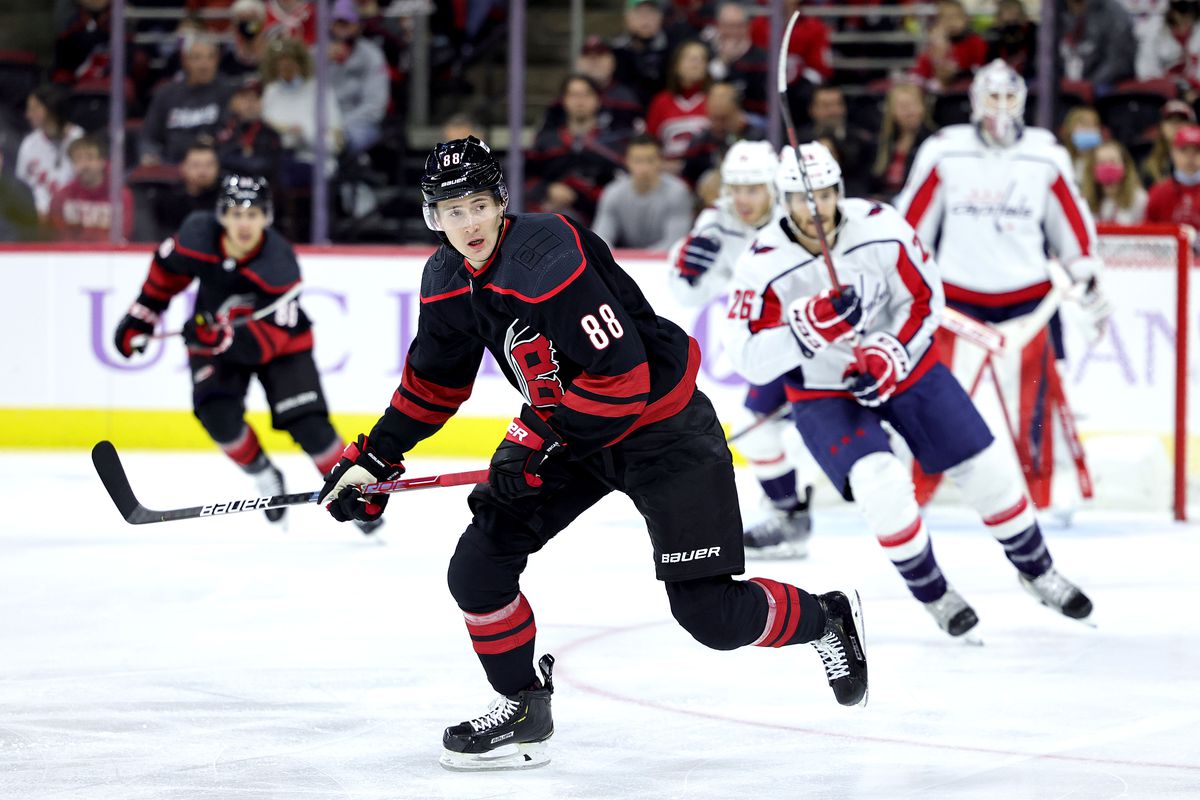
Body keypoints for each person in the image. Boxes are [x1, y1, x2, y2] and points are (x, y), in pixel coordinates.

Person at [316, 136, 868, 770]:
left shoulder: (549, 253)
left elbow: (622, 376)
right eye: (451, 209)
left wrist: (538, 443)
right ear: (431, 217)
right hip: (572, 431)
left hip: (663, 429)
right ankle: (524, 704)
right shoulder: (445, 276)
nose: (467, 222)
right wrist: (375, 458)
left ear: (500, 201)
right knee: (478, 566)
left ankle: (826, 617)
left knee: (712, 617)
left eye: (476, 203)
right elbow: (435, 383)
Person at [724, 141, 1094, 640]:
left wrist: (889, 351)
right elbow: (748, 358)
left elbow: (925, 298)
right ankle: (935, 594)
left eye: (825, 196)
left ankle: (1037, 569)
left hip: (906, 369)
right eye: (800, 200)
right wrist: (808, 329)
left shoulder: (882, 227)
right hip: (823, 389)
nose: (816, 211)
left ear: (839, 191)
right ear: (783, 200)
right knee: (881, 484)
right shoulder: (762, 264)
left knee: (987, 469)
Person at [894, 60, 1111, 513]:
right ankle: (916, 491)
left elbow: (1072, 223)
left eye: (1009, 96)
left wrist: (1086, 273)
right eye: (992, 97)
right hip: (954, 305)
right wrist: (899, 279)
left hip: (1029, 306)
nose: (1001, 107)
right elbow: (911, 224)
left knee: (1037, 408)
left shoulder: (1046, 153)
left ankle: (1046, 496)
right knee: (931, 400)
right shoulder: (943, 150)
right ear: (975, 100)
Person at [110, 175, 374, 534]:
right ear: (221, 215)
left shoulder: (279, 265)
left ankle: (350, 493)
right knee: (217, 416)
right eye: (236, 214)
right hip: (214, 338)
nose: (244, 223)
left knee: (311, 428)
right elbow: (166, 273)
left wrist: (218, 337)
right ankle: (265, 474)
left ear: (267, 218)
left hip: (282, 347)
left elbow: (266, 341)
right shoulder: (197, 236)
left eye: (253, 214)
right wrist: (142, 315)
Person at [667, 140, 814, 556]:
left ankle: (794, 511)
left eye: (754, 188)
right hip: (774, 349)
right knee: (757, 433)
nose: (743, 199)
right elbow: (687, 293)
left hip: (816, 340)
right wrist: (688, 269)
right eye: (736, 188)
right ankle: (791, 517)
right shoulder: (717, 220)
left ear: (773, 187)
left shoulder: (796, 218)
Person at [140, 37, 233, 166]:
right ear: (185, 61)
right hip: (171, 165)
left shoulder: (228, 92)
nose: (204, 65)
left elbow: (230, 136)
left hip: (214, 166)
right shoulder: (166, 94)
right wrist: (150, 156)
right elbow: (150, 137)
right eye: (197, 58)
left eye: (210, 58)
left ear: (217, 60)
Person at [592, 134, 694, 249]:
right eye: (638, 161)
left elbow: (675, 242)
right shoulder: (612, 192)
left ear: (660, 161)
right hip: (624, 261)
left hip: (661, 263)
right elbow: (601, 238)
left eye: (650, 161)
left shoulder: (677, 192)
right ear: (627, 162)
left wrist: (640, 260)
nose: (644, 168)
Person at [328, 0, 389, 154]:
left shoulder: (372, 55)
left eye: (347, 23)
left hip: (358, 124)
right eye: (338, 23)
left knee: (349, 139)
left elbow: (375, 106)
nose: (342, 29)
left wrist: (340, 124)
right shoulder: (317, 53)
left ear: (359, 25)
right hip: (321, 122)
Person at [15, 85, 84, 221]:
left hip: (69, 222)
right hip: (32, 223)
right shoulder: (29, 143)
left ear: (51, 109)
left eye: (34, 109)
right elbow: (20, 189)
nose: (28, 115)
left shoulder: (80, 141)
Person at [48, 135, 133, 243]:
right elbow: (55, 237)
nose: (84, 165)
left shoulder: (120, 196)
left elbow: (123, 235)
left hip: (109, 257)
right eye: (78, 159)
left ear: (102, 161)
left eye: (90, 158)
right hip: (71, 257)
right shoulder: (61, 197)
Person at [869, 82, 936, 201]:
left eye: (914, 105)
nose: (910, 112)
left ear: (923, 107)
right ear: (892, 112)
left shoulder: (934, 142)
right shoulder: (880, 142)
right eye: (904, 107)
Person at [910, 0, 988, 92]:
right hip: (938, 91)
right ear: (938, 21)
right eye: (946, 18)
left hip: (968, 89)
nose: (952, 22)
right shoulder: (935, 43)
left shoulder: (975, 42)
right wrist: (940, 47)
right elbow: (921, 72)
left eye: (956, 17)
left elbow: (980, 69)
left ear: (966, 19)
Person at [1146, 123, 1200, 232]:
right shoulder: (1158, 192)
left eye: (1197, 150)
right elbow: (1147, 235)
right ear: (1173, 153)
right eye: (1184, 150)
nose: (1190, 156)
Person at [1082, 140, 1148, 224]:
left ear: (1125, 166)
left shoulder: (1140, 199)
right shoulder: (1084, 202)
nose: (1107, 167)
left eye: (1113, 161)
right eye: (1101, 162)